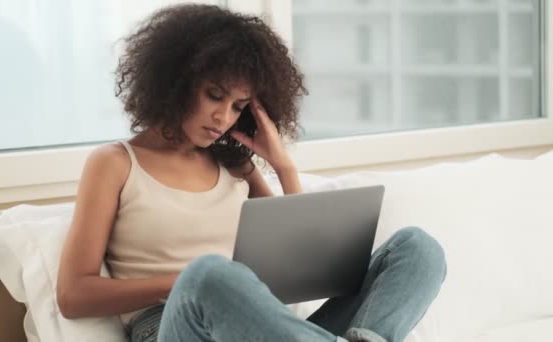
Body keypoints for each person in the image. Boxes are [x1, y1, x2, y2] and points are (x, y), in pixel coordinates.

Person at [56, 4, 447, 342]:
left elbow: (302, 258)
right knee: (209, 274)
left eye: (237, 106)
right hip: (168, 326)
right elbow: (73, 295)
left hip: (262, 328)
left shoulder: (234, 165)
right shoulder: (115, 163)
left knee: (417, 249)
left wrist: (283, 166)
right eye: (214, 95)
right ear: (176, 81)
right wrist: (179, 284)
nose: (222, 118)